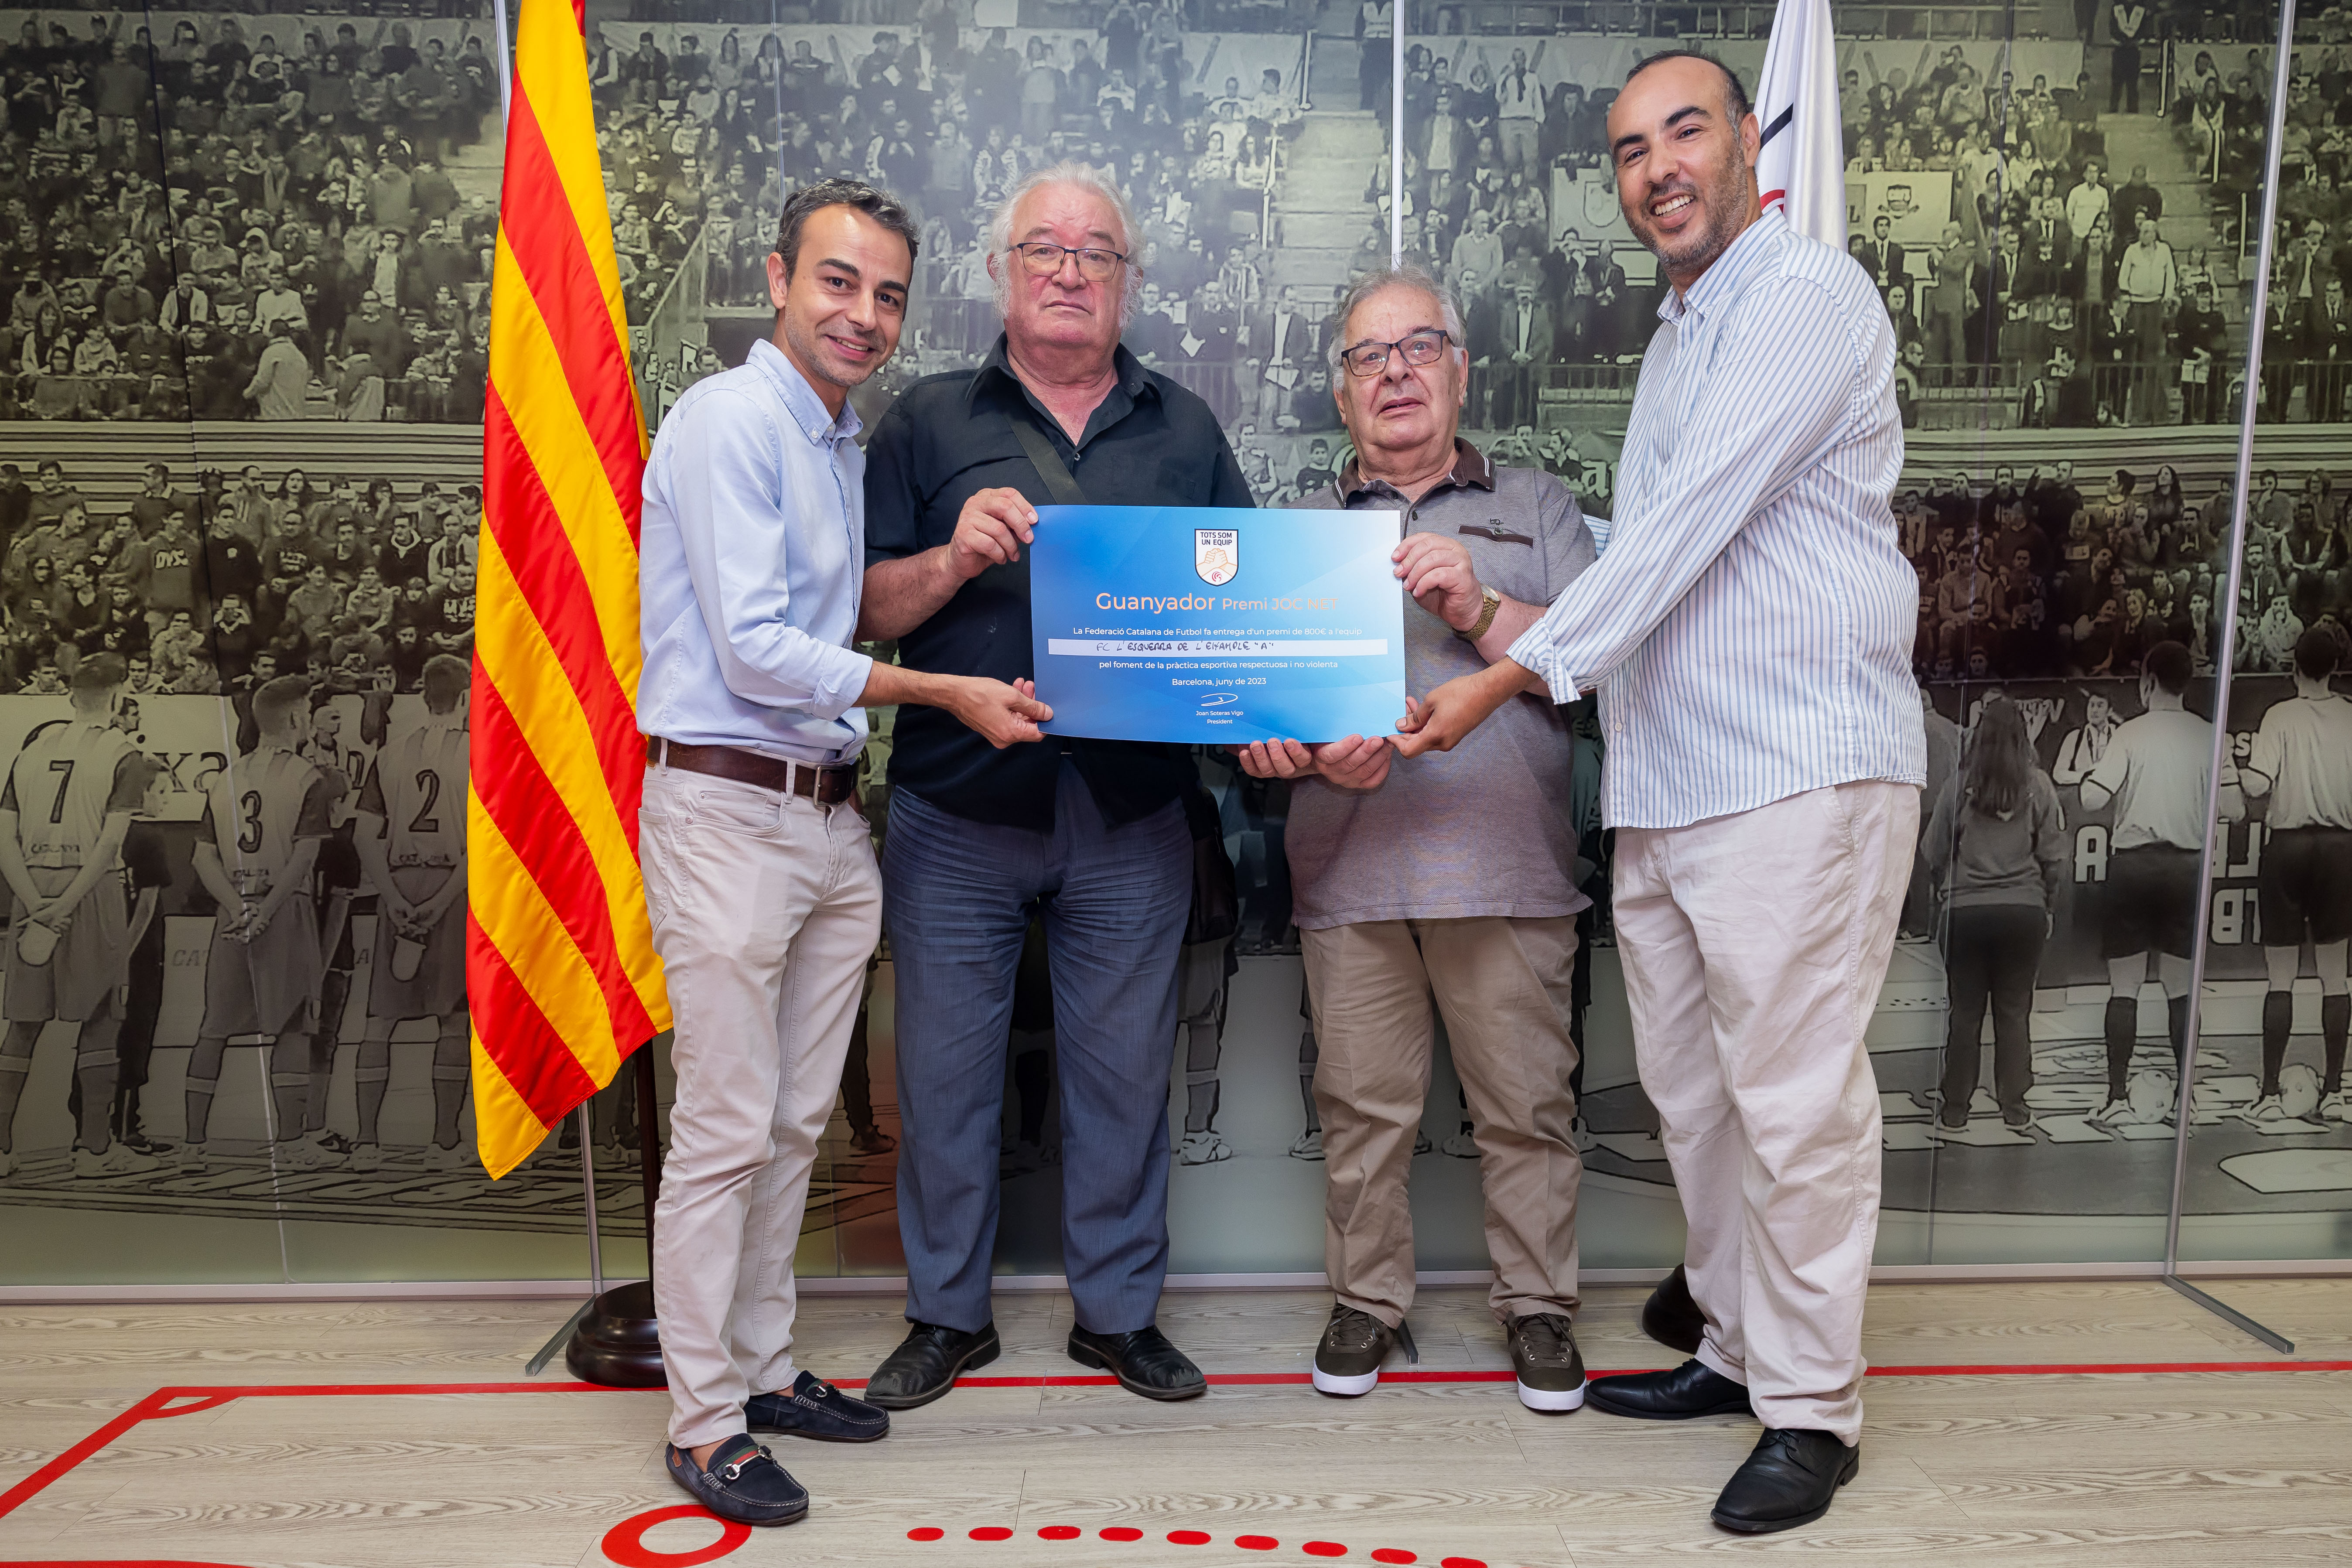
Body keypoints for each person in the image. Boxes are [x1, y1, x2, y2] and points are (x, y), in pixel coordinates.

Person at [1388, 53, 1925, 1534]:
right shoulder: (1682, 333)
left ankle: (1813, 1410)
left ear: (1751, 140)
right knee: (1696, 1098)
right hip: (1675, 777)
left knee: (1794, 1103)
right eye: (1630, 150)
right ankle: (1741, 1352)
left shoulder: (1803, 294)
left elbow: (1681, 530)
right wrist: (1498, 608)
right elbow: (1653, 556)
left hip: (1795, 767)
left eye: (1685, 132)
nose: (1658, 168)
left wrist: (1501, 672)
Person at [638, 179, 1050, 1530]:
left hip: (822, 812)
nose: (864, 314)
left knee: (792, 1122)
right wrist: (943, 693)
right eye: (837, 281)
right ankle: (704, 1421)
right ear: (777, 278)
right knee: (724, 1127)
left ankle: (762, 1368)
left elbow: (837, 619)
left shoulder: (834, 439)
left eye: (886, 294)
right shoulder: (729, 419)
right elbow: (758, 649)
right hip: (725, 809)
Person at [858, 162, 1252, 1411]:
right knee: (943, 1079)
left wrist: (1272, 720)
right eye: (1045, 249)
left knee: (1125, 1078)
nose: (1071, 272)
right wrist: (948, 559)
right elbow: (860, 606)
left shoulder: (1187, 427)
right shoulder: (923, 421)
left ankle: (1119, 1315)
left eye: (1097, 254)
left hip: (1133, 811)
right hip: (956, 804)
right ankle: (946, 1314)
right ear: (1001, 272)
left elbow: (1245, 607)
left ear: (1127, 281)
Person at [1235, 263, 1597, 1410]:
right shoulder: (1296, 533)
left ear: (1461, 370)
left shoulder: (1538, 506)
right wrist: (1291, 751)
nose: (1394, 373)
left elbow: (1595, 664)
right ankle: (1366, 1301)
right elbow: (1252, 711)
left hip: (1510, 870)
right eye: (1367, 357)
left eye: (1418, 347)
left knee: (1527, 1110)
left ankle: (1537, 1307)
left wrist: (1480, 605)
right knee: (1360, 1113)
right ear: (1341, 392)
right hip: (1350, 873)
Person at [0, 659, 157, 1179]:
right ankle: (93, 1151)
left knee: (22, 1026)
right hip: (89, 889)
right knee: (101, 1019)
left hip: (31, 886)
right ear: (118, 695)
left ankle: (1, 1149)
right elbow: (110, 844)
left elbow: (4, 838)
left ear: (71, 696)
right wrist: (65, 905)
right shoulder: (124, 753)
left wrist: (36, 904)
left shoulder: (31, 750)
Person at [180, 676, 338, 1176]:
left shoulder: (225, 777)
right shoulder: (309, 777)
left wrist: (237, 908)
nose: (309, 720)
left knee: (214, 1029)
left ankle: (193, 1146)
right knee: (293, 1024)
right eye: (307, 711)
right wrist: (266, 911)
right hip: (283, 908)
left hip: (234, 911)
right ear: (294, 718)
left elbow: (202, 857)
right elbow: (305, 855)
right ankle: (290, 1144)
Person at [2080, 642, 2241, 1126]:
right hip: (2186, 868)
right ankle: (2186, 1099)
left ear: (2147, 681)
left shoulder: (2129, 733)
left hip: (2133, 866)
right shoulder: (2209, 734)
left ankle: (2115, 1098)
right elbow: (2235, 808)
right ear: (2186, 682)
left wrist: (2095, 776)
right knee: (2180, 988)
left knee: (2124, 986)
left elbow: (2091, 799)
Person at [350, 656, 472, 1172]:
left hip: (398, 881)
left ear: (423, 698)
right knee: (453, 1019)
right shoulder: (481, 753)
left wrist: (393, 897)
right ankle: (443, 1143)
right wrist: (440, 902)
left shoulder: (390, 753)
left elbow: (363, 836)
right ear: (465, 697)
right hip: (453, 885)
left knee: (380, 1019)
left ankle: (365, 1144)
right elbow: (487, 841)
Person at [1926, 697, 2066, 1131]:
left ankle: (1955, 1108)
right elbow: (2055, 859)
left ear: (1978, 736)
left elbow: (1933, 852)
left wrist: (1946, 890)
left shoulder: (1957, 787)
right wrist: (2047, 905)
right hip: (2022, 912)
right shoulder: (2038, 786)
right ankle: (2014, 1105)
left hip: (1964, 913)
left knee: (1964, 1013)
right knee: (2014, 1012)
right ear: (2023, 737)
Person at [2240, 631, 2352, 1123]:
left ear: (2293, 668)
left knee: (2280, 975)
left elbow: (2257, 785)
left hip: (2288, 847)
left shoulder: (2279, 716)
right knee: (2335, 973)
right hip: (2340, 848)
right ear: (2336, 668)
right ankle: (2335, 1091)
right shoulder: (2350, 715)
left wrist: (2235, 771)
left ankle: (2269, 1093)